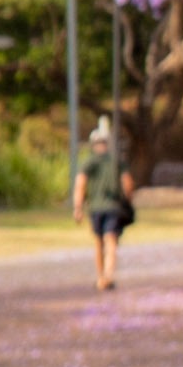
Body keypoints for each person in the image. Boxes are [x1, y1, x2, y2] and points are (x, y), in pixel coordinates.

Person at [73, 109, 133, 294]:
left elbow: (80, 184)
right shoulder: (116, 161)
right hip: (113, 206)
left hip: (96, 207)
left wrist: (78, 207)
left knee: (99, 242)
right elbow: (128, 183)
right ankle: (108, 274)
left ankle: (101, 276)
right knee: (111, 240)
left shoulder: (89, 162)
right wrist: (127, 200)